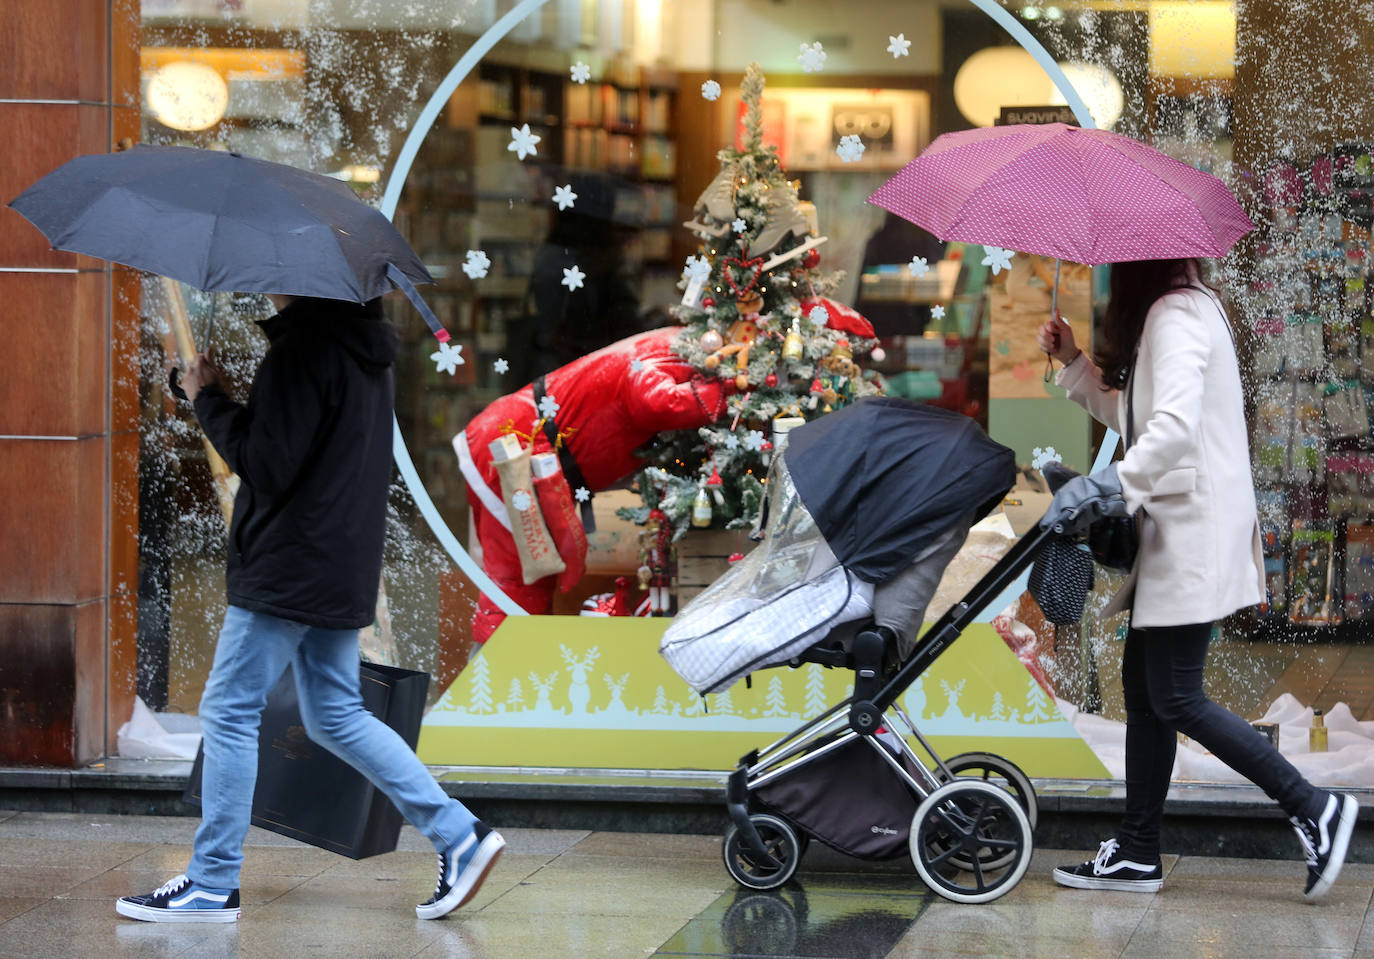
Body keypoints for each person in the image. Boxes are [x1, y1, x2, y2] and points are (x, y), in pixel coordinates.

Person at [116, 294, 502, 924]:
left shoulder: (302, 350)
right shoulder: (362, 348)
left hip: (289, 565)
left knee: (231, 710)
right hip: (335, 562)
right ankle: (461, 835)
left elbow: (268, 463)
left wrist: (206, 396)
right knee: (335, 715)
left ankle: (212, 882)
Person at [1037, 258, 1357, 900]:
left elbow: (1172, 431)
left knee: (1175, 696)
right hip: (1180, 532)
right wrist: (1074, 363)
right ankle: (1136, 850)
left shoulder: (1175, 313)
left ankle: (1315, 807)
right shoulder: (1185, 307)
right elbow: (1141, 415)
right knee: (1146, 688)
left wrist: (1109, 483)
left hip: (1191, 535)